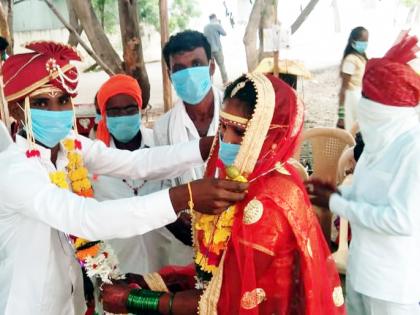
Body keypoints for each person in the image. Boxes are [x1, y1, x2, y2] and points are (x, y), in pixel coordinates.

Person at [0, 41, 248, 315]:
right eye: (41, 103)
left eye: (63, 101)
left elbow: (134, 162)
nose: (56, 113)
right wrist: (183, 197)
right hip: (26, 304)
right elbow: (86, 217)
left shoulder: (68, 144)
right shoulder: (14, 170)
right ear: (15, 109)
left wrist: (203, 147)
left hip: (69, 302)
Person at [101, 73, 345, 315]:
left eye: (239, 132)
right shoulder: (240, 179)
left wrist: (137, 299)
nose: (225, 140)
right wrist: (154, 281)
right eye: (223, 127)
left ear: (270, 135)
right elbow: (216, 272)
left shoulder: (268, 202)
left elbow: (225, 300)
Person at [308, 33, 420, 315]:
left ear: (388, 107)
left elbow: (401, 220)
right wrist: (336, 193)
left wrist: (336, 204)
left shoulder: (413, 149)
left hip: (393, 286)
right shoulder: (377, 141)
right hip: (361, 271)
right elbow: (366, 195)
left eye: (368, 98)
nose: (364, 106)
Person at [93, 74, 182, 275]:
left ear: (140, 110)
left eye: (130, 109)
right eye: (114, 111)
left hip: (167, 263)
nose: (123, 115)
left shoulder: (162, 146)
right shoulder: (93, 161)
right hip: (117, 269)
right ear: (104, 115)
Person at [153, 30, 224, 265]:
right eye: (180, 68)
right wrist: (181, 226)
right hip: (188, 243)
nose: (189, 74)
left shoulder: (236, 111)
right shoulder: (163, 128)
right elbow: (163, 185)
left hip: (238, 234)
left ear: (211, 67)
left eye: (196, 64)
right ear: (169, 74)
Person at [337, 26, 368, 130]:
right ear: (353, 41)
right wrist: (341, 115)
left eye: (366, 41)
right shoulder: (350, 60)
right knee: (350, 132)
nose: (365, 44)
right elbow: (343, 88)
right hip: (350, 99)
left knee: (357, 132)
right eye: (362, 41)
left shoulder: (361, 58)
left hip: (359, 96)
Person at [204, 14, 228, 85]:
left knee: (210, 66)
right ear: (215, 18)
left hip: (209, 50)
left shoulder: (205, 27)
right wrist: (220, 24)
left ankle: (208, 83)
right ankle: (225, 81)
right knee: (221, 65)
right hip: (217, 49)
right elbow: (224, 33)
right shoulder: (217, 25)